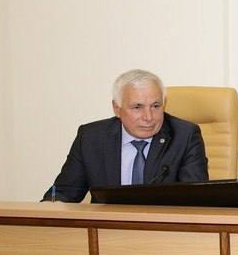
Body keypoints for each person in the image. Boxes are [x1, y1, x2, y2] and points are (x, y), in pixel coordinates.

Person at [44, 69, 208, 202]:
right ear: (117, 109)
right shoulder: (91, 138)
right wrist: (49, 209)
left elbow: (195, 201)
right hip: (107, 229)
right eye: (137, 107)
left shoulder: (184, 136)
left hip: (163, 230)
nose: (148, 117)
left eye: (156, 106)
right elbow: (63, 193)